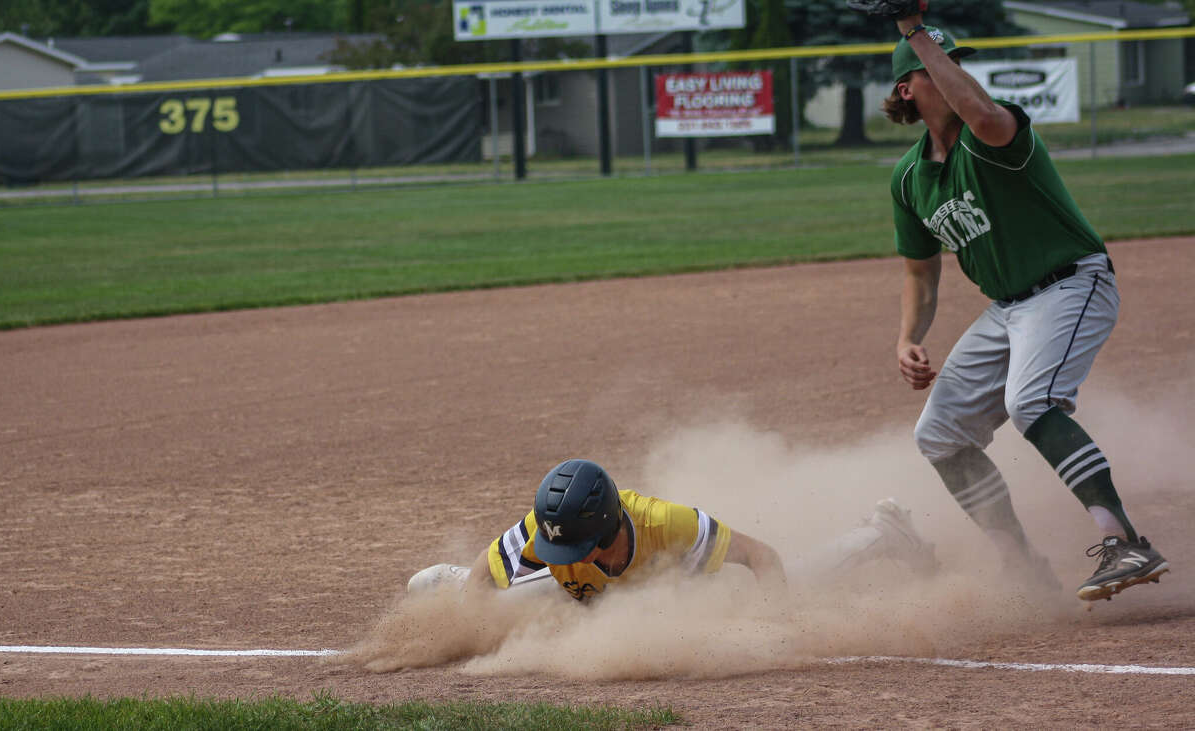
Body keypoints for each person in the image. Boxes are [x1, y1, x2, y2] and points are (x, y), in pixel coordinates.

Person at [880, 12, 1169, 600]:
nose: (952, 68)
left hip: (1071, 284)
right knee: (939, 434)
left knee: (1030, 401)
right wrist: (908, 336)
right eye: (938, 65)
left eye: (957, 60)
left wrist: (916, 31)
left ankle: (1126, 543)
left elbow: (981, 113)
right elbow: (920, 271)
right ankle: (1021, 565)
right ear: (907, 88)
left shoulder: (996, 133)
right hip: (1009, 309)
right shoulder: (911, 178)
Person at [407, 458, 938, 602]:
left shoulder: (669, 526)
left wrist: (776, 625)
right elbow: (486, 565)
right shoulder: (550, 526)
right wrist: (470, 605)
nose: (560, 548)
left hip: (679, 588)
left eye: (572, 543)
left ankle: (882, 533)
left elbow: (763, 558)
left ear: (607, 524)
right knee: (446, 592)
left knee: (796, 579)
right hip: (593, 594)